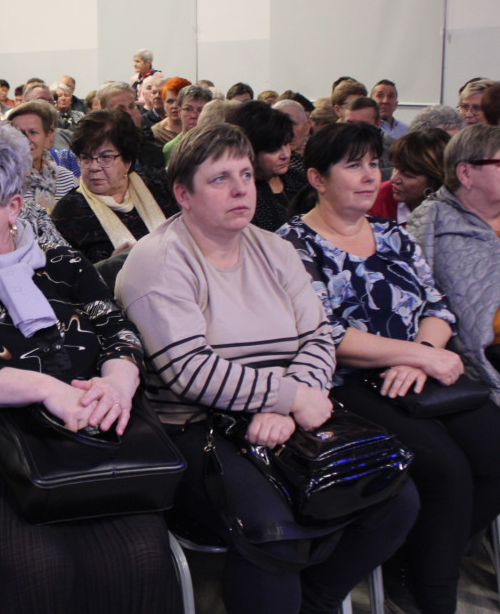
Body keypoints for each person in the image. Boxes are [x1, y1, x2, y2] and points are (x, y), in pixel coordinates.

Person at [115, 123, 419, 614]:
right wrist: (288, 397)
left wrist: (292, 401)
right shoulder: (159, 261)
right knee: (273, 532)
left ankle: (317, 600)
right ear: (182, 194)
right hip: (196, 430)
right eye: (219, 179)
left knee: (394, 500)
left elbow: (319, 337)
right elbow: (187, 370)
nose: (240, 190)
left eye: (245, 175)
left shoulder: (274, 248)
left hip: (289, 415)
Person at [0, 117, 180, 614]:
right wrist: (46, 389)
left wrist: (117, 383)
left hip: (77, 438)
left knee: (143, 556)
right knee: (35, 568)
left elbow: (118, 331)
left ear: (13, 208)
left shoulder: (61, 266)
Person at [277, 122, 500, 614]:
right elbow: (327, 333)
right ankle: (432, 596)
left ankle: (415, 558)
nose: (372, 175)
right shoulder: (292, 243)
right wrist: (419, 355)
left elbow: (438, 308)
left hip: (416, 375)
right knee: (447, 471)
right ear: (317, 178)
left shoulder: (393, 233)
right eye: (354, 165)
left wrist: (421, 354)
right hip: (347, 384)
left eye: (375, 163)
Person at [408, 125, 500, 570]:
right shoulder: (441, 224)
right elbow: (481, 317)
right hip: (485, 362)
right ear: (468, 172)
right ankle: (430, 554)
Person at [51, 110, 177, 264]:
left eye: (105, 157)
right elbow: (67, 277)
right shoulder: (69, 211)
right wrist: (109, 267)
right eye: (86, 158)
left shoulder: (158, 185)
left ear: (127, 161)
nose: (94, 167)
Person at [228, 100, 306, 232]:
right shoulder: (242, 192)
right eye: (274, 149)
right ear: (251, 150)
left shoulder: (298, 178)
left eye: (287, 144)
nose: (286, 154)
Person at [368, 129, 449, 225]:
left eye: (408, 175)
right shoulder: (374, 199)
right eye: (395, 168)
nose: (394, 179)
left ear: (435, 180)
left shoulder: (456, 210)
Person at [9, 100, 76, 213]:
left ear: (48, 135)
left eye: (33, 132)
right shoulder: (2, 183)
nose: (26, 140)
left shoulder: (67, 179)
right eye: (18, 133)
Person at [162, 84, 213, 162]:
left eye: (200, 110)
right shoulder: (170, 149)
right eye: (188, 109)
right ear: (179, 111)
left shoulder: (216, 146)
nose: (194, 115)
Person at [150, 77, 191, 147]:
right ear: (164, 103)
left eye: (179, 101)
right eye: (170, 101)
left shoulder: (199, 128)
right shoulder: (156, 133)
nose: (174, 106)